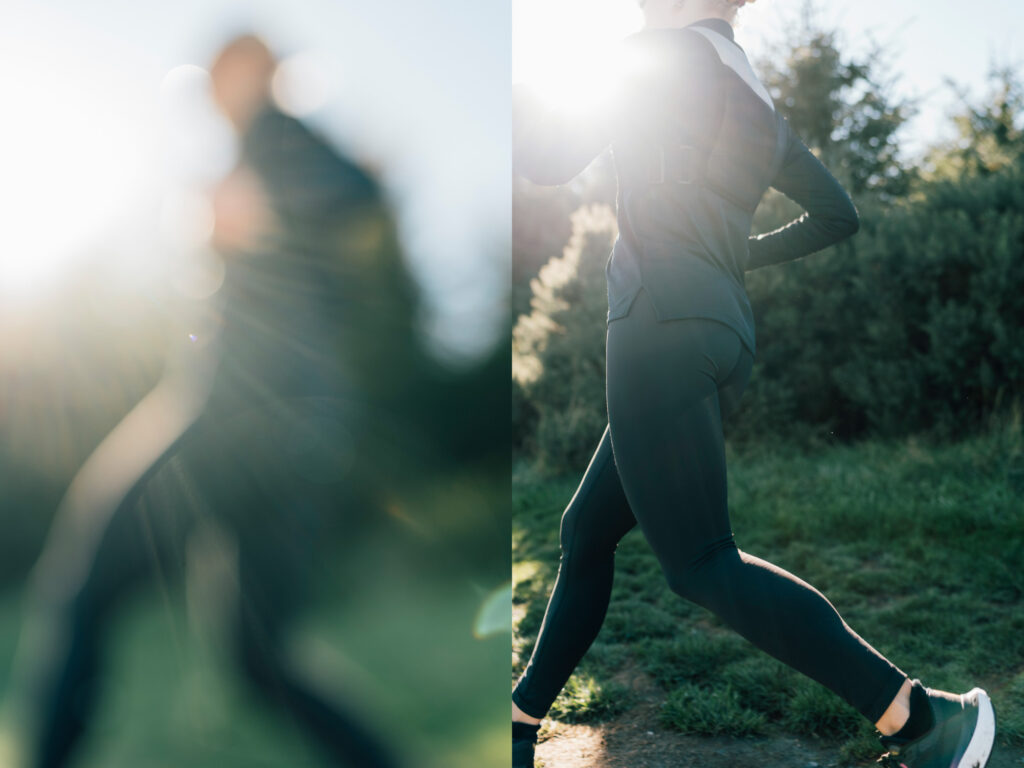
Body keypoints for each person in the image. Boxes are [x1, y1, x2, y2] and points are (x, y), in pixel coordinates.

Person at [510, 2, 996, 767]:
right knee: (586, 531)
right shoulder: (752, 94)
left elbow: (541, 160)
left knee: (702, 562)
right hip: (723, 336)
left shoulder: (652, 56)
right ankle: (519, 720)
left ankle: (920, 721)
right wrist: (731, 266)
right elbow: (837, 214)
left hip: (655, 329)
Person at [13, 34, 403, 768]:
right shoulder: (267, 151)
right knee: (260, 662)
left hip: (236, 415)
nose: (216, 96)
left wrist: (266, 205)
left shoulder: (279, 138)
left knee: (79, 589)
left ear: (255, 71)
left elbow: (353, 189)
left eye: (224, 76)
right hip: (297, 429)